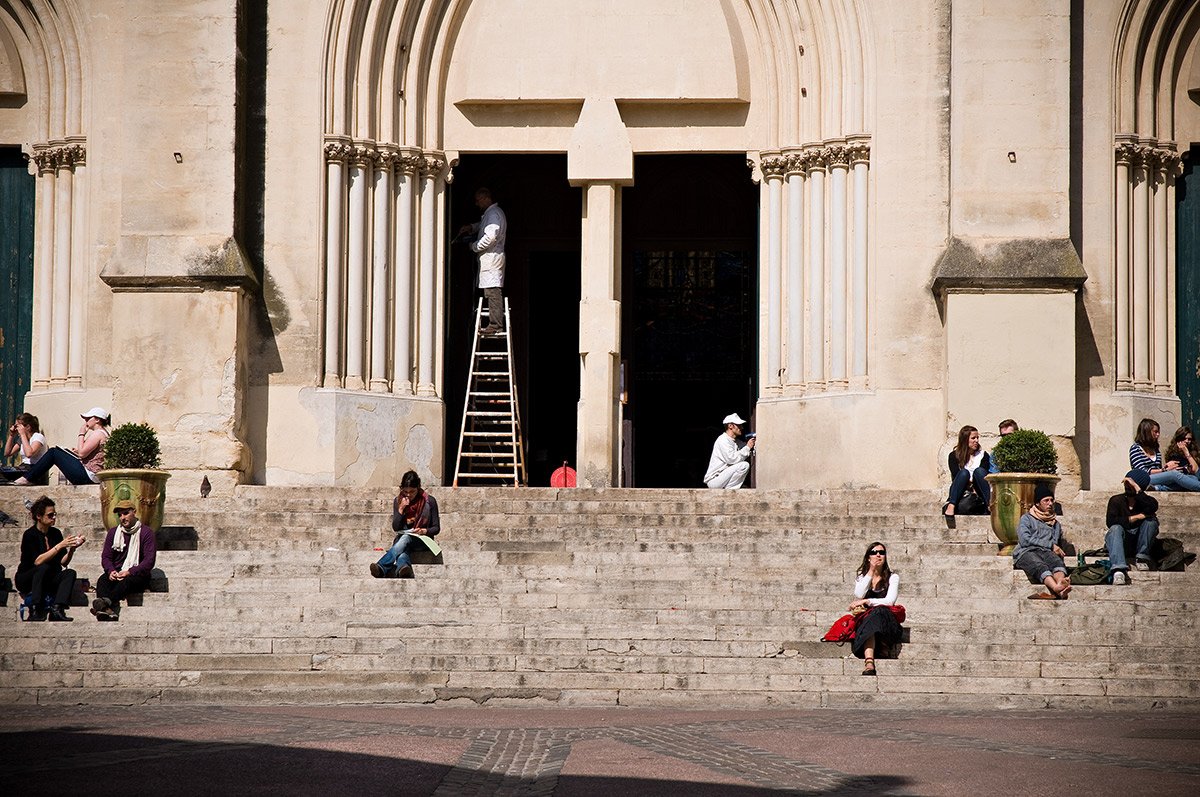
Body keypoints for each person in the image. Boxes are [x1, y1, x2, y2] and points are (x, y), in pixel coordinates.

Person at [15, 496, 84, 621]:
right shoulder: (30, 535)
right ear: (38, 517)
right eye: (50, 515)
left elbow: (63, 562)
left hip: (49, 577)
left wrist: (72, 548)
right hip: (28, 578)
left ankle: (57, 608)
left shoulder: (55, 533)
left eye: (54, 514)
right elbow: (38, 561)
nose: (54, 518)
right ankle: (36, 608)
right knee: (42, 568)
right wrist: (60, 545)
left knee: (69, 573)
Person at [92, 498, 158, 621]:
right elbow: (106, 557)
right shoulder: (113, 533)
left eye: (126, 513)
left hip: (137, 575)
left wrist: (130, 572)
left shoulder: (146, 533)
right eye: (120, 515)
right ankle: (107, 611)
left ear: (134, 512)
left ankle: (105, 603)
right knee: (103, 580)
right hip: (118, 571)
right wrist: (111, 571)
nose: (122, 517)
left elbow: (149, 561)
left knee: (127, 582)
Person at [13, 407, 111, 486]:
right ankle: (28, 478)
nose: (86, 421)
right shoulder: (101, 433)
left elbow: (82, 453)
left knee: (53, 453)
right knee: (57, 451)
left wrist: (81, 434)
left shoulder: (98, 433)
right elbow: (85, 453)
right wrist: (76, 451)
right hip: (90, 474)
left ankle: (27, 478)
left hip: (88, 475)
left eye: (88, 418)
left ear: (97, 419)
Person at [370, 470, 441, 579]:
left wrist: (424, 531)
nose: (409, 495)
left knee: (404, 539)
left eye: (412, 491)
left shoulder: (429, 501)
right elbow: (396, 528)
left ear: (418, 488)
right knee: (403, 544)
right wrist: (401, 509)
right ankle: (403, 568)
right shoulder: (398, 501)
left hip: (423, 540)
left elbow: (436, 528)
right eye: (406, 491)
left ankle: (382, 566)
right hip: (403, 540)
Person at [458, 187, 508, 335]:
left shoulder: (493, 214)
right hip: (491, 258)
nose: (477, 204)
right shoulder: (492, 214)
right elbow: (484, 226)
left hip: (492, 258)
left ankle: (495, 324)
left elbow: (490, 236)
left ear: (486, 198)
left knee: (492, 290)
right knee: (490, 289)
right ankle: (494, 323)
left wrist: (475, 246)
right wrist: (471, 227)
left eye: (479, 201)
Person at [849, 542, 902, 676]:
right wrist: (871, 572)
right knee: (870, 620)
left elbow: (889, 601)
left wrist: (867, 601)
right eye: (874, 552)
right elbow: (859, 594)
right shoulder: (862, 577)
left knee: (879, 611)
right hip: (868, 623)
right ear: (868, 557)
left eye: (881, 552)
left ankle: (879, 649)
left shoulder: (893, 577)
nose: (878, 555)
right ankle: (869, 662)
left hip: (887, 623)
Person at [1013, 484, 1071, 600]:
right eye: (1046, 500)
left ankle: (1061, 583)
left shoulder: (1055, 524)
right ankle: (1055, 588)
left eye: (1051, 500)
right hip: (1026, 552)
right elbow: (1025, 540)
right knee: (1039, 565)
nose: (1050, 503)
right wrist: (1050, 545)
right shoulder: (1027, 518)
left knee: (1056, 562)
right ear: (1038, 503)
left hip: (1046, 552)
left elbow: (1055, 543)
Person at [1104, 470, 1160, 586]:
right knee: (1115, 528)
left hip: (1140, 543)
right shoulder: (1116, 500)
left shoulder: (1147, 502)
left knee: (1151, 522)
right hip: (1122, 542)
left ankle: (1142, 558)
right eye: (1126, 484)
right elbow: (1111, 521)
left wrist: (1137, 488)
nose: (1127, 487)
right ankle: (1118, 570)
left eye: (1130, 485)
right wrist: (1137, 517)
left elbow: (1152, 507)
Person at [1128, 418, 1200, 492]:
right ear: (1146, 432)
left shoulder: (1155, 449)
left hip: (1156, 479)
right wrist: (1165, 470)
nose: (1158, 434)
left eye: (1158, 432)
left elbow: (1159, 470)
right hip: (1142, 479)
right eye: (1155, 432)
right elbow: (1142, 471)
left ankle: (1157, 488)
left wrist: (1166, 468)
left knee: (1192, 478)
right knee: (1174, 474)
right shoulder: (1136, 448)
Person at [944, 425, 991, 516]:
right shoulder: (953, 456)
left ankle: (989, 504)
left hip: (978, 490)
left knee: (979, 471)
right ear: (965, 440)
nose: (976, 441)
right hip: (961, 490)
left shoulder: (983, 455)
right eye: (973, 438)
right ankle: (951, 504)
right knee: (963, 473)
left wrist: (973, 483)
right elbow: (956, 476)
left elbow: (984, 475)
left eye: (977, 438)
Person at [704, 413, 755, 489]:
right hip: (715, 480)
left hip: (723, 478)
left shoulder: (736, 441)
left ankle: (730, 489)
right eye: (739, 425)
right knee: (744, 465)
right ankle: (730, 490)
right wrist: (747, 447)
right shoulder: (722, 440)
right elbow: (732, 459)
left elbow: (747, 448)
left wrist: (753, 445)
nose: (742, 427)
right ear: (730, 426)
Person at [4, 413, 48, 483]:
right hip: (24, 468)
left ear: (28, 427)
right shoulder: (23, 439)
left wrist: (22, 434)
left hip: (36, 469)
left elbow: (29, 454)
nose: (17, 429)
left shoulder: (38, 437)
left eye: (18, 426)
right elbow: (7, 453)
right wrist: (11, 435)